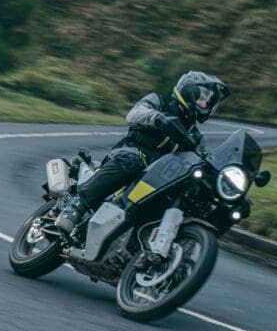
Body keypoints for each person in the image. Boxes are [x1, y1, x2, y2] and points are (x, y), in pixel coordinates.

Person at [55, 71, 231, 234]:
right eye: (203, 98)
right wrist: (158, 118)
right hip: (133, 153)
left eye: (210, 101)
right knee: (133, 160)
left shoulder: (196, 137)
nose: (206, 104)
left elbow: (202, 159)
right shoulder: (159, 102)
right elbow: (134, 114)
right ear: (189, 91)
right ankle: (76, 206)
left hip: (158, 177)